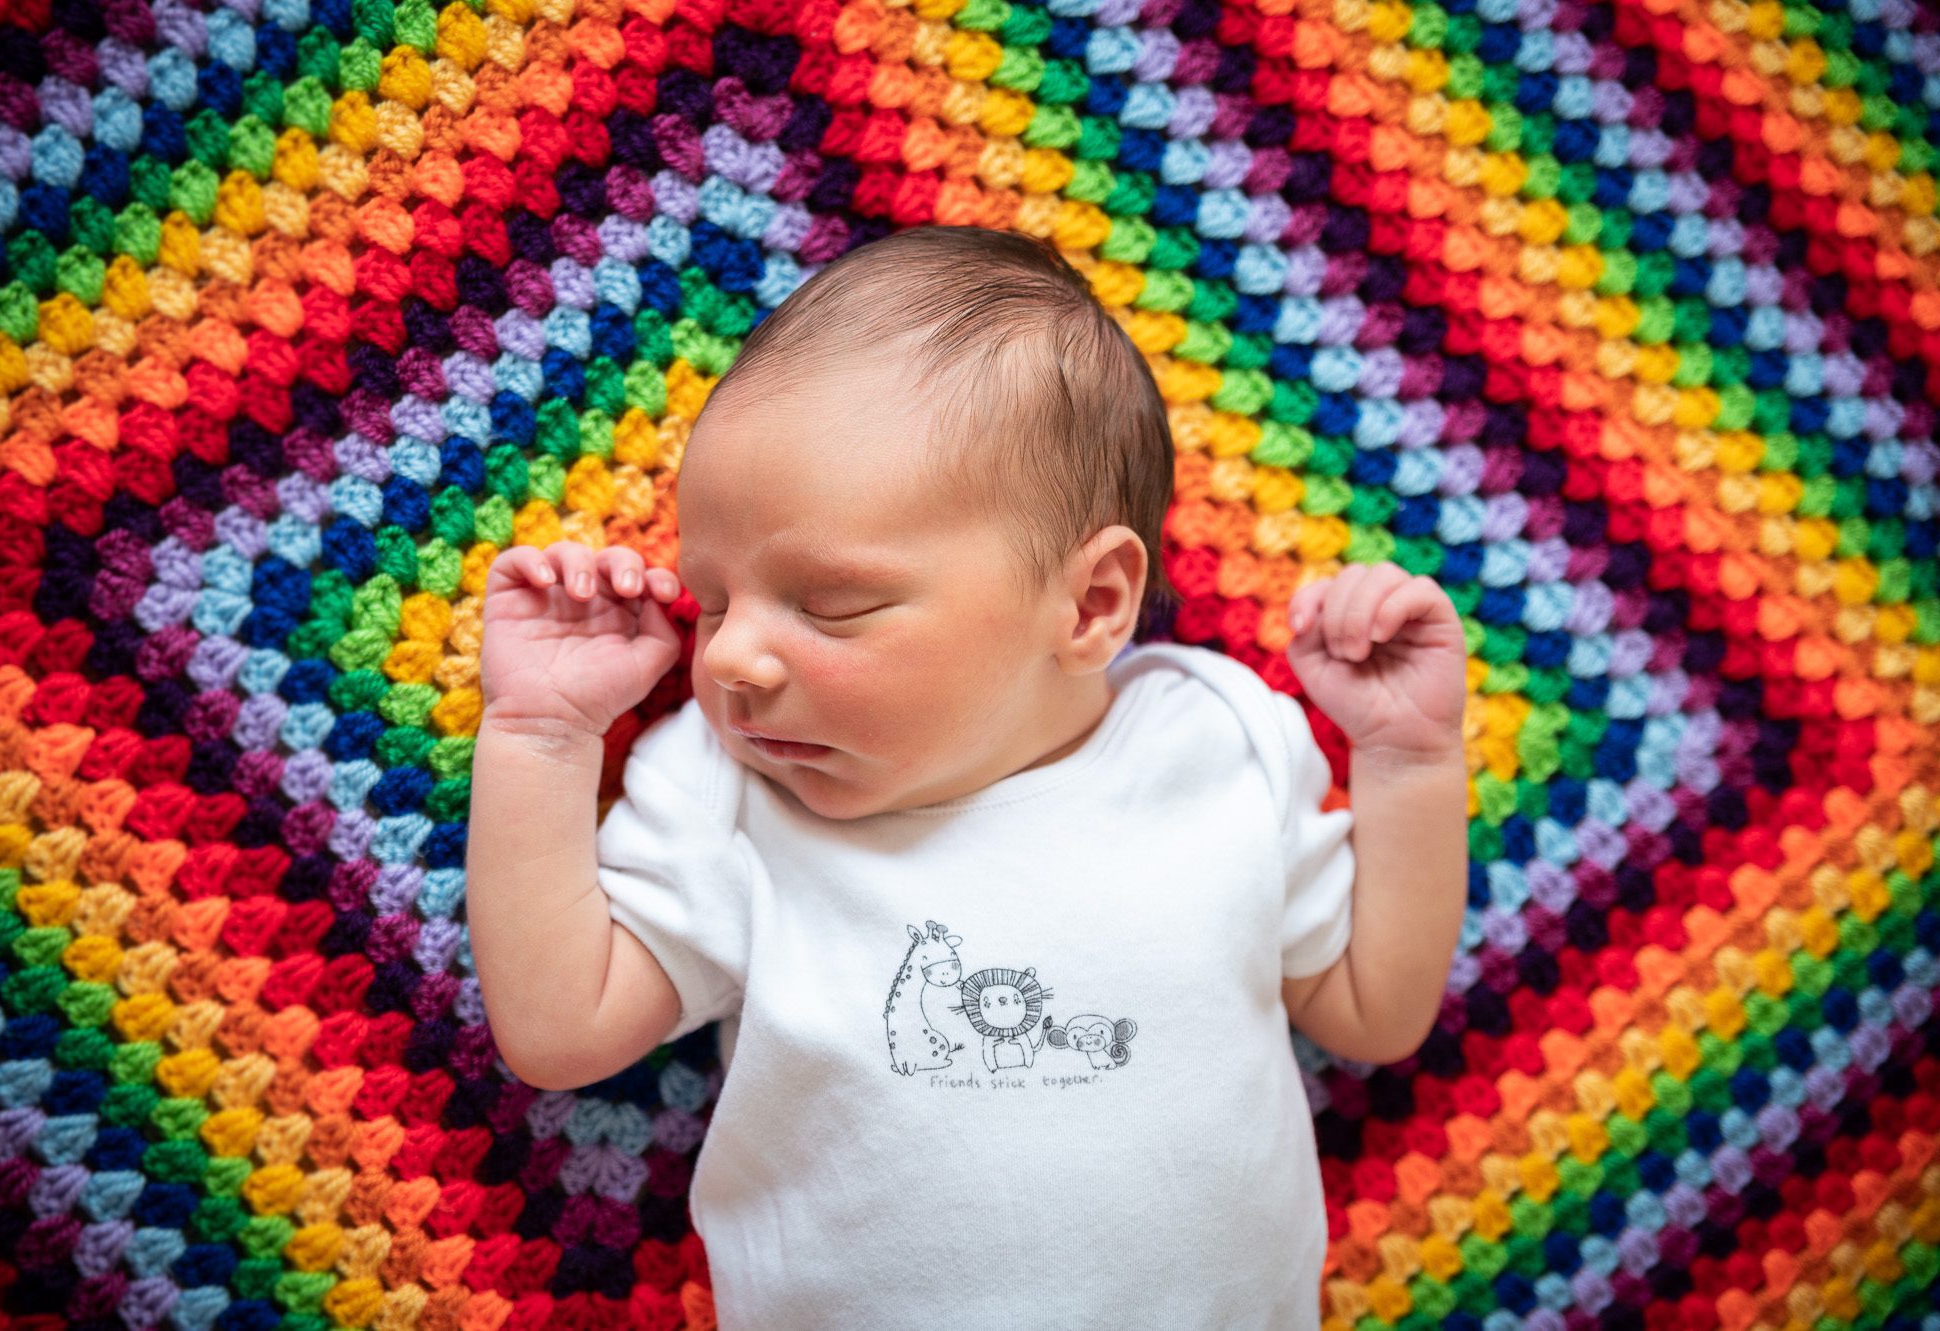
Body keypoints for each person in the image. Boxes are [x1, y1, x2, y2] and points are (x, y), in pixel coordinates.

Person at [465, 226, 1468, 1328]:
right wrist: (541, 732)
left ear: (1088, 605)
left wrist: (1409, 758)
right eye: (712, 599)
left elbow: (1374, 1008)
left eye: (831, 602)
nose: (730, 658)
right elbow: (559, 1030)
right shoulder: (732, 795)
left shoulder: (1215, 740)